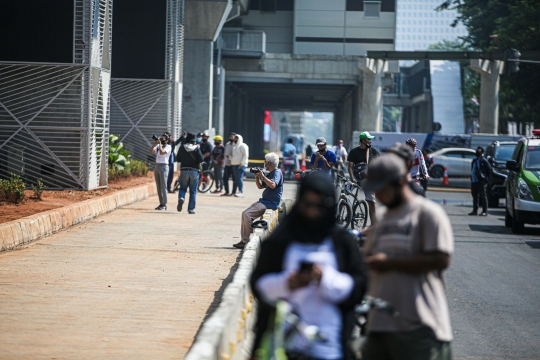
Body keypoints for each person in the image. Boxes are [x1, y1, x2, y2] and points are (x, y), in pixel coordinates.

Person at [250, 172, 368, 360]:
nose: (313, 211)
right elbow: (258, 284)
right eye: (308, 205)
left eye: (321, 206)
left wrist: (326, 278)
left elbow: (359, 286)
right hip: (284, 347)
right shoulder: (280, 241)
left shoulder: (342, 243)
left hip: (331, 347)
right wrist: (287, 283)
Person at [360, 155, 454, 360]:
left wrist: (389, 263)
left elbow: (441, 259)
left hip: (419, 326)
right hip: (379, 327)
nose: (378, 194)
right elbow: (368, 258)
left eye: (382, 188)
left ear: (400, 182)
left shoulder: (428, 213)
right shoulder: (382, 219)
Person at [233, 152, 283, 249]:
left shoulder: (277, 173)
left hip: (270, 203)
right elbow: (260, 186)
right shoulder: (271, 173)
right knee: (245, 213)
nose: (264, 164)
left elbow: (273, 185)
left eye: (265, 162)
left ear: (268, 163)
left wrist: (263, 176)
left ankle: (246, 241)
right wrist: (257, 177)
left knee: (247, 215)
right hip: (264, 201)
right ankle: (244, 240)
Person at [348, 131, 380, 225]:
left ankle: (373, 225)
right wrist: (352, 178)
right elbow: (350, 167)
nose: (370, 141)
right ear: (363, 140)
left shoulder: (373, 152)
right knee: (344, 190)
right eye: (368, 139)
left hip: (369, 179)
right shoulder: (354, 152)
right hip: (357, 178)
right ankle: (343, 211)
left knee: (371, 202)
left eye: (370, 139)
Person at [176, 133, 204, 214]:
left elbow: (178, 159)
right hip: (194, 171)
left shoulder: (182, 147)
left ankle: (181, 197)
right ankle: (191, 209)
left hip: (184, 170)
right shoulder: (197, 148)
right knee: (193, 191)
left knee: (182, 188)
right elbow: (201, 159)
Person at [149, 134, 172, 210]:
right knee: (158, 186)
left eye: (163, 139)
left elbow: (162, 152)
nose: (162, 140)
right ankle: (161, 203)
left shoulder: (168, 147)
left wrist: (160, 144)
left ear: (167, 140)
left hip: (164, 166)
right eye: (161, 138)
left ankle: (164, 204)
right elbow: (151, 151)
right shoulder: (158, 146)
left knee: (163, 186)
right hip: (157, 165)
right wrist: (154, 143)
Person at [469, 146, 491, 216]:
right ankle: (475, 211)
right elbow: (472, 170)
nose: (477, 152)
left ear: (482, 152)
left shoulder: (484, 160)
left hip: (481, 182)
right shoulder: (474, 160)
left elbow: (489, 170)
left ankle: (484, 211)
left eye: (479, 151)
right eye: (477, 151)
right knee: (475, 197)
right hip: (474, 181)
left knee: (483, 196)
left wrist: (485, 179)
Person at [221, 132, 238, 196]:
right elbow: (225, 153)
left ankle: (233, 192)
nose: (231, 138)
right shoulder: (227, 144)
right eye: (230, 136)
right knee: (225, 178)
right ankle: (227, 192)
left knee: (234, 179)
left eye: (232, 137)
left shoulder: (236, 145)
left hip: (233, 164)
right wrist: (224, 160)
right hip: (227, 164)